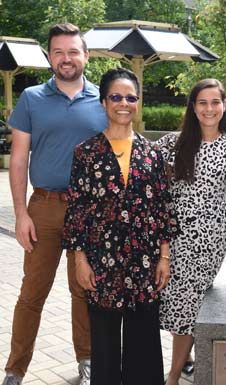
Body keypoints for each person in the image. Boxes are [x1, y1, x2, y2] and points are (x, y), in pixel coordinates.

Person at [3, 23, 108, 385]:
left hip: (91, 211)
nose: (66, 58)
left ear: (86, 56)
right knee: (32, 293)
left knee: (84, 290)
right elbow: (18, 160)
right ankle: (15, 369)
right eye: (59, 52)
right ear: (50, 57)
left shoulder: (104, 100)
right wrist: (20, 214)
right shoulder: (31, 98)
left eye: (73, 51)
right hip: (44, 208)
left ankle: (88, 360)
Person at [62, 68, 175, 385]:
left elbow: (161, 208)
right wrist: (80, 260)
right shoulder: (86, 153)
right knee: (105, 342)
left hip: (145, 260)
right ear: (103, 102)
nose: (123, 103)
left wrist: (164, 258)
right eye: (116, 96)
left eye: (130, 97)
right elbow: (78, 209)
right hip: (101, 260)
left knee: (144, 341)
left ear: (137, 103)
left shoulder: (152, 154)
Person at [157, 78, 226, 385]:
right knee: (172, 300)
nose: (209, 109)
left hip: (208, 235)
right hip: (171, 233)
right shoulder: (174, 142)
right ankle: (186, 359)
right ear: (193, 107)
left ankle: (172, 376)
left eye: (215, 102)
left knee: (187, 303)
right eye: (202, 103)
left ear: (224, 106)